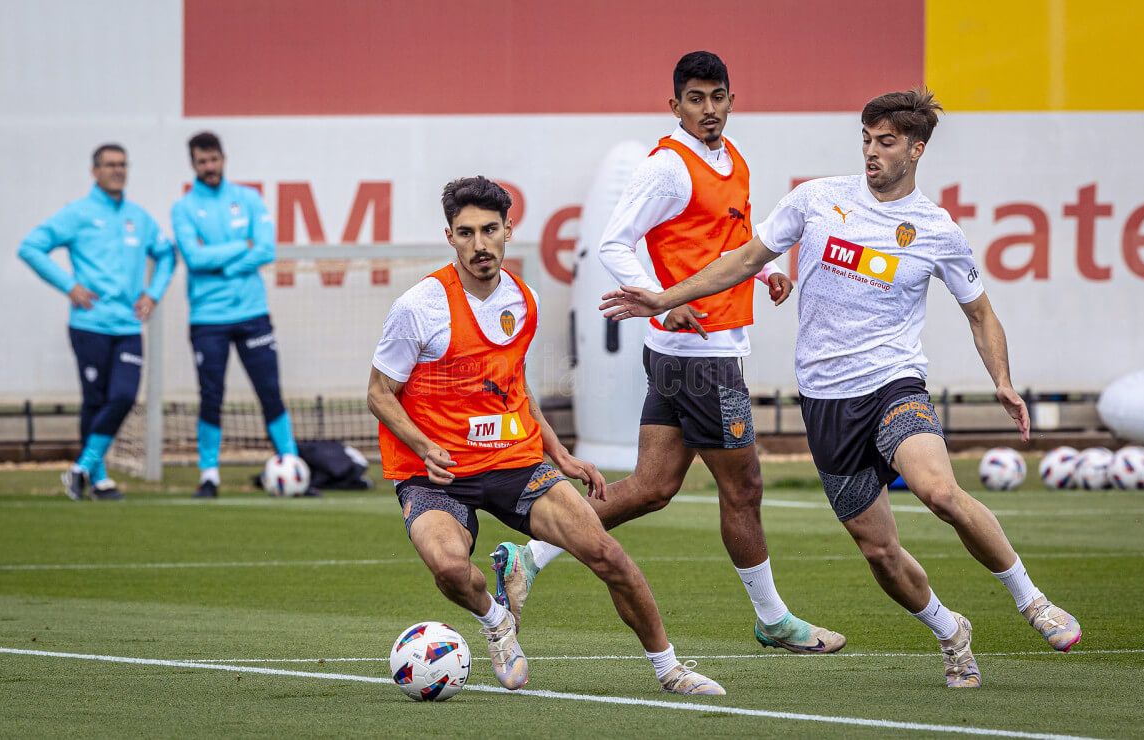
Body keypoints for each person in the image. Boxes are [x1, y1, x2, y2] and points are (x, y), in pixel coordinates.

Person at [598, 88, 1082, 688]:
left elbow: (980, 313)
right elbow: (746, 258)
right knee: (879, 551)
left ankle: (1032, 600)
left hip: (894, 384)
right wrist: (665, 299)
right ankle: (950, 631)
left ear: (916, 149)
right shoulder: (817, 200)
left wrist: (1002, 383)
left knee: (937, 489)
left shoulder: (937, 230)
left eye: (886, 142)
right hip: (826, 404)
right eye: (867, 140)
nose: (872, 152)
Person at [491, 51, 845, 656]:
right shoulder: (668, 167)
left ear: (732, 99)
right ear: (674, 105)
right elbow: (613, 242)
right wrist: (659, 303)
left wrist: (766, 275)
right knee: (745, 488)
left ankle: (526, 557)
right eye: (696, 99)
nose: (708, 109)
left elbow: (728, 241)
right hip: (697, 354)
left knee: (653, 486)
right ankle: (773, 618)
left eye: (717, 97)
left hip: (695, 350)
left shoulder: (730, 159)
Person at [368, 176, 724, 695]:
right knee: (449, 569)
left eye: (490, 230)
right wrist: (425, 446)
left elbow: (513, 386)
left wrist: (560, 452)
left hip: (512, 460)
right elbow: (379, 393)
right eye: (465, 233)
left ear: (508, 230)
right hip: (434, 473)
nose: (480, 244)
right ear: (450, 238)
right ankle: (496, 622)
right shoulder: (419, 307)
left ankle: (669, 669)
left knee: (607, 554)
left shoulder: (523, 299)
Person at [18, 144, 175, 501]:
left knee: (122, 396)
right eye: (109, 165)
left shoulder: (138, 217)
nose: (117, 170)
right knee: (95, 400)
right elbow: (31, 247)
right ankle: (99, 480)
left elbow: (166, 254)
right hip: (90, 324)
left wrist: (153, 293)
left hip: (128, 325)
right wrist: (69, 286)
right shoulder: (78, 213)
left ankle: (80, 468)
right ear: (94, 171)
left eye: (122, 164)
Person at [172, 131, 298, 498]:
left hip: (252, 312)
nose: (209, 167)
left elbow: (265, 250)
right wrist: (238, 250)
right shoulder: (183, 208)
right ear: (193, 164)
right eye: (202, 162)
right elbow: (193, 259)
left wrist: (220, 261)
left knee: (270, 391)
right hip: (207, 317)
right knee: (211, 395)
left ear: (223, 159)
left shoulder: (248, 198)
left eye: (213, 160)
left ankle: (289, 464)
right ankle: (209, 475)